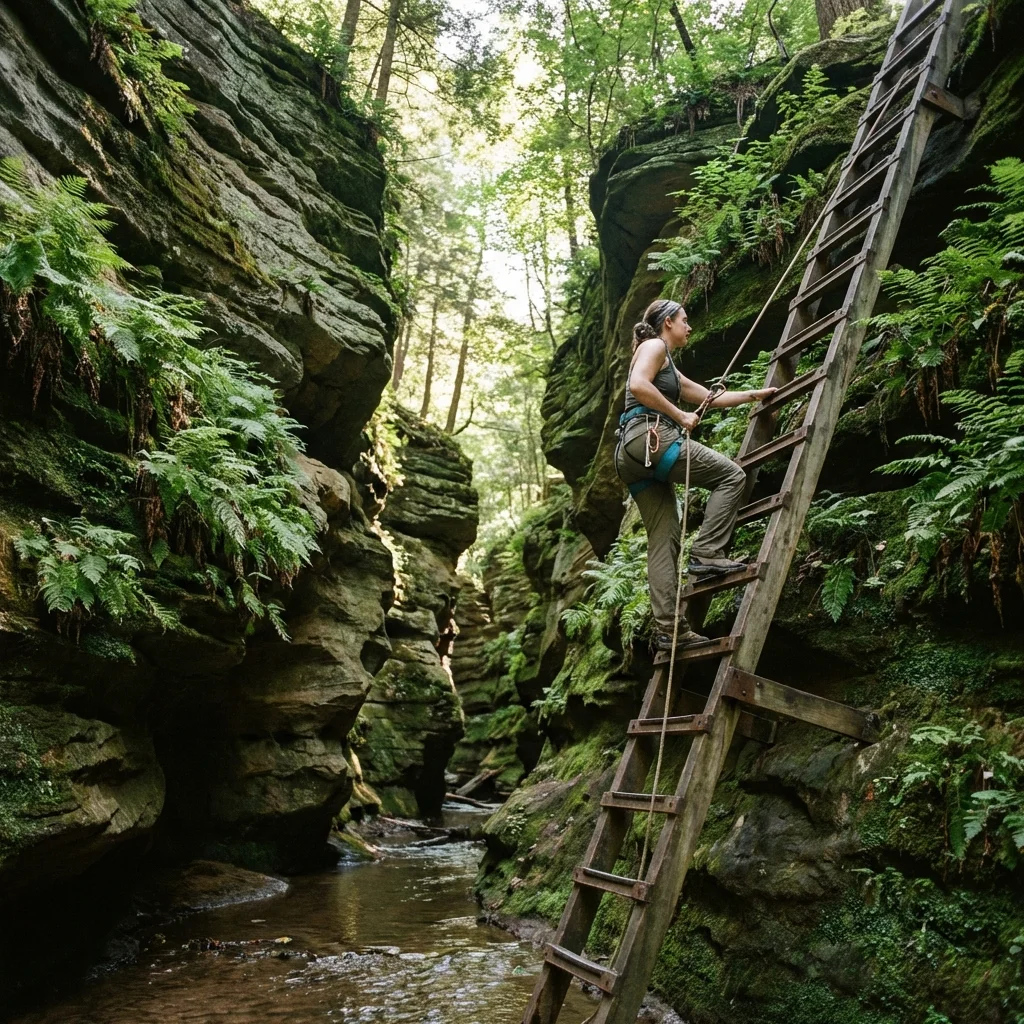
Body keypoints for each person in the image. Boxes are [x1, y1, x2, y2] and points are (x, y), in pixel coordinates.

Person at [614, 298, 776, 652]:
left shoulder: (668, 365)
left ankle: (668, 631)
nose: (690, 327)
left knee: (664, 539)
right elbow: (639, 385)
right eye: (685, 320)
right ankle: (707, 553)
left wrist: (755, 395)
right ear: (668, 322)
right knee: (732, 476)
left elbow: (708, 397)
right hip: (651, 438)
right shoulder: (654, 345)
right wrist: (680, 416)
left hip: (632, 453)